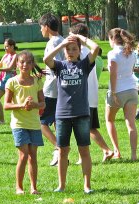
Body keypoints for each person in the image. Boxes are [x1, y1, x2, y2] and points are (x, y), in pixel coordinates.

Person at [44, 33, 99, 194]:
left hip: (81, 113)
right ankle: (61, 185)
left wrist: (79, 37)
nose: (70, 52)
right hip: (62, 115)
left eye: (74, 49)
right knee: (62, 150)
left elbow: (95, 48)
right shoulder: (60, 66)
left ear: (79, 51)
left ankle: (87, 185)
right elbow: (46, 60)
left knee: (84, 150)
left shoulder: (84, 65)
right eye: (68, 49)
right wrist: (61, 46)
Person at [69, 24, 113, 164]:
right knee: (89, 127)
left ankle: (100, 151)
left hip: (84, 97)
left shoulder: (83, 52)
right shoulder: (86, 51)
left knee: (83, 127)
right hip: (90, 96)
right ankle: (105, 150)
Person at [4, 50, 45, 195]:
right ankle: (19, 187)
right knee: (23, 155)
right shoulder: (12, 82)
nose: (25, 65)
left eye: (28, 62)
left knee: (33, 155)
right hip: (19, 124)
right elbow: (6, 105)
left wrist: (34, 105)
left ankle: (33, 187)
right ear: (17, 64)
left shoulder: (37, 81)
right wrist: (22, 105)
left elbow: (43, 104)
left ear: (33, 64)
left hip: (34, 123)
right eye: (22, 62)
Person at [105, 28, 138, 161]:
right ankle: (134, 155)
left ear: (112, 39)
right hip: (132, 89)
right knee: (131, 123)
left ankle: (117, 151)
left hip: (118, 90)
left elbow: (113, 74)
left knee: (109, 120)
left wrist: (112, 92)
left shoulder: (112, 54)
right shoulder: (132, 52)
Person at [39, 13, 65, 167]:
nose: (40, 30)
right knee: (57, 122)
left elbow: (57, 65)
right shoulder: (61, 40)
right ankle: (60, 153)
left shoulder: (53, 43)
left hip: (52, 89)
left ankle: (58, 148)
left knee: (40, 122)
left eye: (41, 27)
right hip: (61, 88)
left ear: (46, 27)